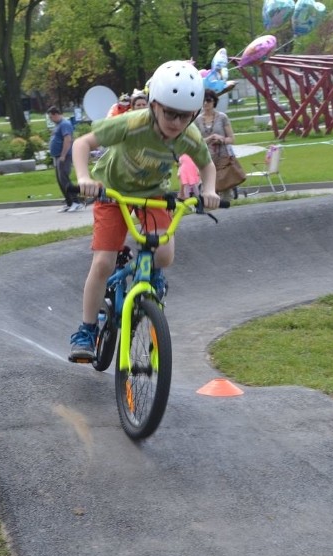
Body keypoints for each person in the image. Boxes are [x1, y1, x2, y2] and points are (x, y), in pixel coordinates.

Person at [67, 60, 220, 361]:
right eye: (169, 113)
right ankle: (86, 329)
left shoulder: (188, 137)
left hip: (153, 196)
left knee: (164, 255)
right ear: (154, 105)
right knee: (102, 263)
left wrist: (210, 190)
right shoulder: (132, 124)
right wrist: (85, 178)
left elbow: (207, 164)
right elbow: (83, 143)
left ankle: (147, 274)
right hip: (113, 192)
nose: (175, 123)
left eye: (184, 116)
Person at [194, 88, 238, 199]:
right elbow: (196, 142)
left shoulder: (222, 117)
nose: (205, 103)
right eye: (203, 100)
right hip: (205, 158)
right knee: (209, 186)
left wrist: (221, 139)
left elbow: (232, 139)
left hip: (222, 156)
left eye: (208, 100)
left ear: (214, 101)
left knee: (224, 185)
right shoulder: (197, 120)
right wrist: (209, 138)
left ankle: (227, 204)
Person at [47, 106, 81, 212]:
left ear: (56, 114)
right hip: (57, 156)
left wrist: (63, 155)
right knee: (60, 180)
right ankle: (69, 202)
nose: (51, 120)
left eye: (51, 117)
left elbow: (67, 140)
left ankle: (76, 201)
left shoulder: (65, 124)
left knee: (64, 179)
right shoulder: (58, 125)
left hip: (64, 156)